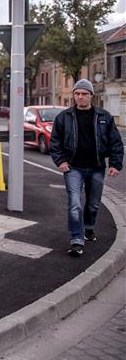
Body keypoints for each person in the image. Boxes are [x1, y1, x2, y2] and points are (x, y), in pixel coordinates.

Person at [50, 79, 123, 257]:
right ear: (74, 95)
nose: (80, 97)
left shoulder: (104, 117)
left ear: (91, 95)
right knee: (74, 203)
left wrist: (115, 164)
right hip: (73, 168)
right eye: (77, 93)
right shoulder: (64, 117)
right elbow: (55, 142)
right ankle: (76, 239)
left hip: (97, 167)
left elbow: (116, 143)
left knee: (93, 204)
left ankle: (89, 227)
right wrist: (60, 161)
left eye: (84, 94)